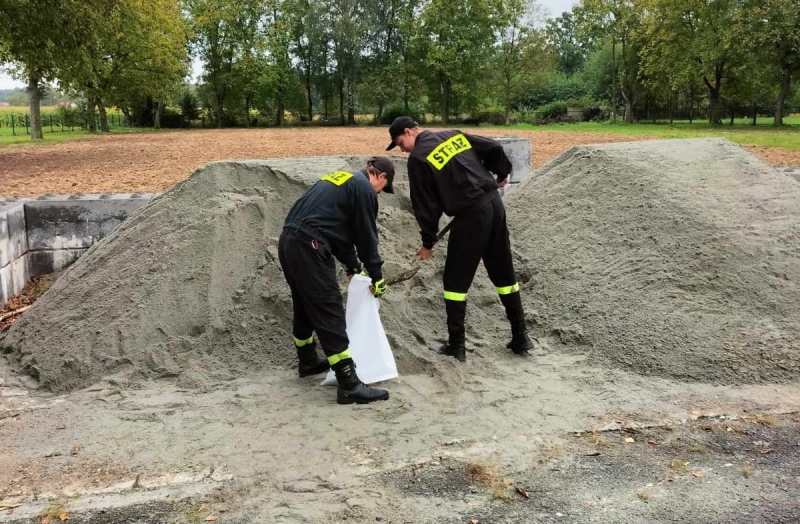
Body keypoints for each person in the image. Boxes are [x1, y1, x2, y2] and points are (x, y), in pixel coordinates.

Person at [386, 116, 533, 362]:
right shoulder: (451, 134)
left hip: (470, 217)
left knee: (455, 281)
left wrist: (427, 243)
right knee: (503, 272)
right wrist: (502, 173)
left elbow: (425, 205)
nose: (401, 149)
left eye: (400, 142)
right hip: (494, 204)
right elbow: (494, 148)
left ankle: (457, 346)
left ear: (410, 131)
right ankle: (521, 336)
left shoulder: (418, 158)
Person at [279, 157, 395, 404]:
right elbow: (366, 237)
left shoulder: (342, 179)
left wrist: (353, 267)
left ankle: (308, 360)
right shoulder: (364, 189)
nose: (380, 193)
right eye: (383, 188)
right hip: (309, 245)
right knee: (328, 307)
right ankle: (348, 383)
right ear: (381, 176)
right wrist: (376, 275)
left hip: (289, 240)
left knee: (304, 304)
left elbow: (339, 234)